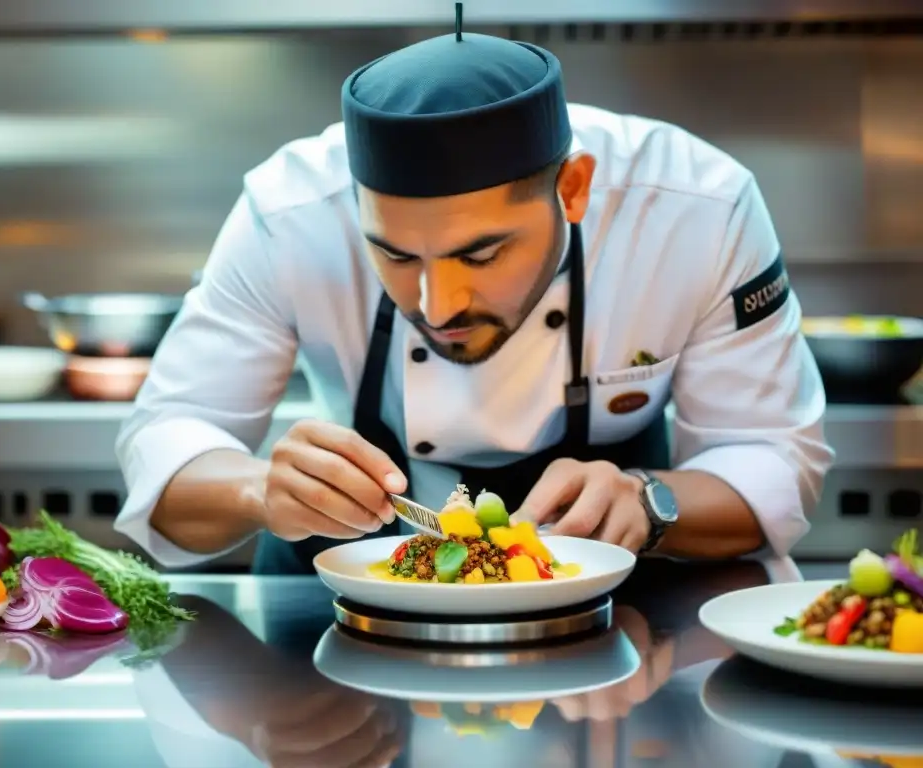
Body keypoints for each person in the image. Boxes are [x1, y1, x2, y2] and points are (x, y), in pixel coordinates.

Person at [112, 22, 835, 577]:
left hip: (617, 650)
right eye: (394, 254)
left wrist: (650, 504)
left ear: (573, 189)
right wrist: (259, 489)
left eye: (481, 254)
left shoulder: (696, 208)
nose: (439, 303)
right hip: (338, 646)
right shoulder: (289, 211)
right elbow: (166, 442)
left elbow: (771, 457)